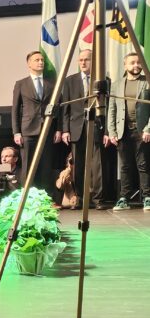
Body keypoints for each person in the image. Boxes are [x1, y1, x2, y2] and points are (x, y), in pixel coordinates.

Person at [12, 51, 61, 192]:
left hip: (47, 130)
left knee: (46, 166)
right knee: (28, 166)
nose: (40, 62)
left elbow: (59, 107)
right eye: (37, 60)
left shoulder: (52, 84)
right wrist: (16, 132)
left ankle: (45, 197)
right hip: (28, 131)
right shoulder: (21, 84)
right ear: (29, 64)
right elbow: (15, 109)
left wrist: (58, 129)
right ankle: (27, 197)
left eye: (42, 60)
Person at [107, 52, 150, 211]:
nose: (136, 65)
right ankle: (124, 198)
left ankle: (147, 197)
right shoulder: (117, 85)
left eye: (138, 62)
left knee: (143, 164)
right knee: (125, 166)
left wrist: (148, 128)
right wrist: (112, 131)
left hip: (142, 130)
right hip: (122, 130)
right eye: (132, 62)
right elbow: (112, 109)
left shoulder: (147, 82)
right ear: (125, 65)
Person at [62, 49, 104, 209]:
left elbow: (107, 107)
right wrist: (65, 130)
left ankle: (97, 199)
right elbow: (65, 108)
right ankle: (79, 198)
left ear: (93, 61)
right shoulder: (70, 81)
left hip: (96, 126)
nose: (83, 62)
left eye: (87, 59)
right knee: (78, 165)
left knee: (96, 166)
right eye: (80, 60)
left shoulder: (102, 80)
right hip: (76, 128)